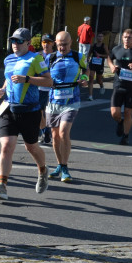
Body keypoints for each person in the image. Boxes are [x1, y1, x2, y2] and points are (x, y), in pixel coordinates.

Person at [0, 27, 52, 200]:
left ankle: (43, 170)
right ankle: (2, 185)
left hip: (29, 110)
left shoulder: (35, 58)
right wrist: (2, 89)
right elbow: (8, 78)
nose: (15, 44)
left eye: (19, 41)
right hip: (9, 108)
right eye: (13, 40)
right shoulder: (8, 59)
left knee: (31, 147)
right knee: (6, 145)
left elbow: (49, 81)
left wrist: (28, 79)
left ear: (28, 43)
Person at [45, 31, 88, 183]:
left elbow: (86, 70)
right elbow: (43, 75)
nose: (62, 48)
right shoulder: (50, 58)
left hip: (71, 101)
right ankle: (59, 164)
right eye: (59, 45)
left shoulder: (78, 57)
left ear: (71, 43)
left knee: (63, 132)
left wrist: (84, 78)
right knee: (55, 136)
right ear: (55, 44)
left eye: (65, 44)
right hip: (53, 101)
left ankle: (64, 167)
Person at [38, 33, 56, 144]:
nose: (46, 45)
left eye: (49, 42)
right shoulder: (37, 56)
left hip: (53, 89)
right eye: (44, 42)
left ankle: (49, 131)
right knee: (39, 112)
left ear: (53, 43)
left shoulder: (57, 56)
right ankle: (45, 132)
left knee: (49, 112)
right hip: (39, 89)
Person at [86, 31, 108, 100]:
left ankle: (101, 85)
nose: (100, 38)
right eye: (99, 36)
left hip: (100, 65)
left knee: (98, 80)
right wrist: (87, 58)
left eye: (101, 36)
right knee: (91, 78)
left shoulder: (104, 46)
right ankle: (90, 96)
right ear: (96, 37)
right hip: (93, 63)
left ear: (103, 38)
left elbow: (107, 55)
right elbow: (89, 53)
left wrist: (100, 55)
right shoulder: (93, 45)